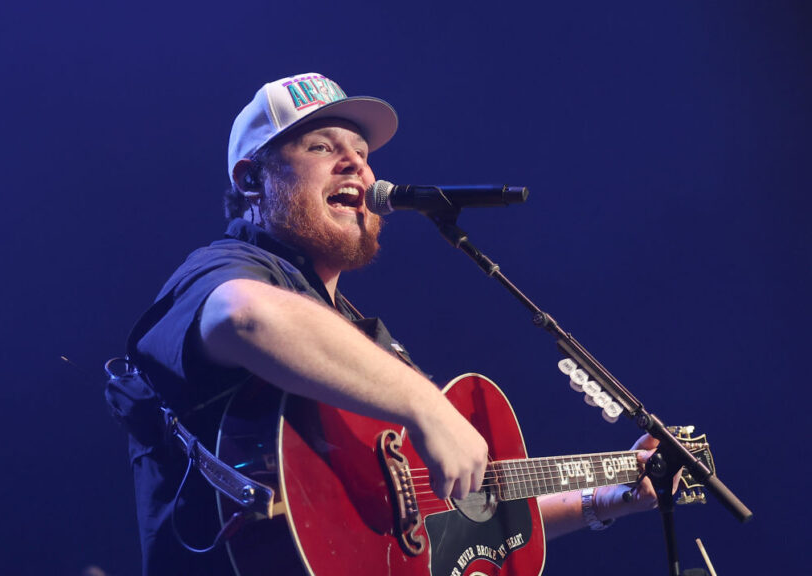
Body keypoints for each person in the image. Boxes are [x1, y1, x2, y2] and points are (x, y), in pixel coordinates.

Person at [126, 72, 663, 576]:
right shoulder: (225, 268)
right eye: (321, 147)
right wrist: (428, 405)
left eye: (362, 154)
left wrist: (606, 496)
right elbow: (245, 316)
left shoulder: (358, 342)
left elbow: (453, 513)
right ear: (251, 179)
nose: (355, 166)